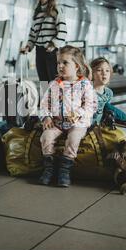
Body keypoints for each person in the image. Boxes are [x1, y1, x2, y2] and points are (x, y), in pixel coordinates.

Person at [38, 46, 97, 187]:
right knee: (46, 137)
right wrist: (46, 117)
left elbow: (91, 105)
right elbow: (44, 104)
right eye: (58, 63)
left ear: (76, 66)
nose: (60, 66)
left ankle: (65, 170)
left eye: (65, 63)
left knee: (74, 138)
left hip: (78, 123)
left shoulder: (85, 85)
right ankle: (49, 168)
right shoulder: (54, 84)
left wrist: (78, 115)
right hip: (58, 122)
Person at [20, 0, 67, 82]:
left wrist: (53, 45)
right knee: (43, 81)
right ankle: (46, 98)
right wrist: (28, 47)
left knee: (54, 79)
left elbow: (62, 31)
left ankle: (56, 98)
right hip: (39, 51)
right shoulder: (37, 13)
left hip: (51, 51)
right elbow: (33, 33)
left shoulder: (56, 10)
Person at [90, 57, 126, 125]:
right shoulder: (87, 92)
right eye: (99, 70)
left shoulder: (109, 93)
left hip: (101, 126)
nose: (104, 73)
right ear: (92, 73)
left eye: (107, 70)